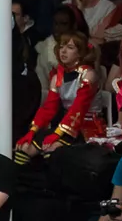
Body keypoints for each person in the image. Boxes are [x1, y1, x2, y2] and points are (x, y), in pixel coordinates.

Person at [16, 33, 102, 164]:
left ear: (80, 53)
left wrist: (57, 133)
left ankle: (55, 177)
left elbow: (79, 107)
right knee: (24, 148)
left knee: (52, 149)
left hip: (87, 126)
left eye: (70, 47)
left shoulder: (88, 75)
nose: (63, 51)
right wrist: (32, 131)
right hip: (65, 125)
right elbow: (49, 108)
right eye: (61, 46)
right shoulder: (57, 77)